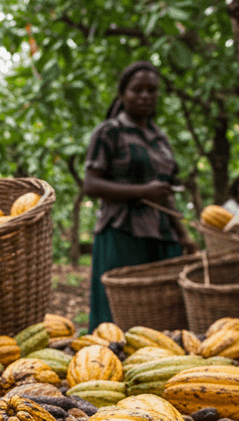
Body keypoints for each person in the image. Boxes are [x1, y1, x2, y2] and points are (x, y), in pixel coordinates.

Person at [82, 60, 197, 329]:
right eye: (137, 90)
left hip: (162, 232)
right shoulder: (110, 132)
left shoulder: (160, 138)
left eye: (152, 90)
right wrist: (142, 191)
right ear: (122, 94)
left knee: (164, 317)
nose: (145, 96)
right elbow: (91, 184)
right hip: (123, 231)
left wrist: (183, 234)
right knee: (117, 317)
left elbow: (164, 191)